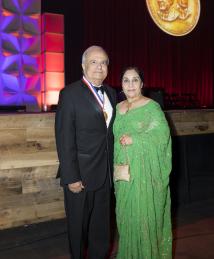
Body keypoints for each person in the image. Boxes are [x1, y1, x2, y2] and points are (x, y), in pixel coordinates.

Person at [55, 46, 116, 259]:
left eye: (104, 62)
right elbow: (64, 139)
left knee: (101, 230)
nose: (99, 67)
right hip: (79, 177)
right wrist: (71, 177)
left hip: (104, 175)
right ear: (83, 66)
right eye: (94, 62)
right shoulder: (69, 94)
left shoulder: (110, 93)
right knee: (78, 230)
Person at [113, 67, 172, 258]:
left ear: (142, 84)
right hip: (122, 174)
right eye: (126, 80)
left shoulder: (151, 107)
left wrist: (136, 140)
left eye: (135, 80)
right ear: (121, 84)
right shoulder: (117, 108)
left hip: (144, 176)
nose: (130, 84)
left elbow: (162, 137)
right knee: (125, 219)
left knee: (143, 220)